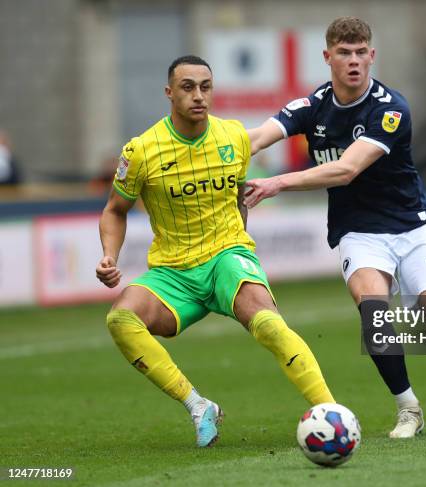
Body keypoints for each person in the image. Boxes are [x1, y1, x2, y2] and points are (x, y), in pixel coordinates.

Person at [245, 17, 426, 438]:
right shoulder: (312, 107)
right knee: (373, 312)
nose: (354, 61)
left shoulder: (390, 109)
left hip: (411, 228)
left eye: (361, 52)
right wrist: (208, 151)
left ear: (372, 56)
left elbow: (346, 169)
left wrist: (276, 183)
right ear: (328, 57)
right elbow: (254, 138)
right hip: (358, 232)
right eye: (344, 53)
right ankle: (408, 408)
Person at [96, 55, 335, 448]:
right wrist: (109, 255)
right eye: (188, 87)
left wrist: (239, 247)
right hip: (173, 272)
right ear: (169, 92)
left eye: (205, 86)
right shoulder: (141, 151)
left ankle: (330, 412)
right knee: (121, 319)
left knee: (270, 323)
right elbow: (114, 210)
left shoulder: (234, 137)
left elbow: (237, 196)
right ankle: (197, 405)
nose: (198, 96)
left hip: (226, 254)